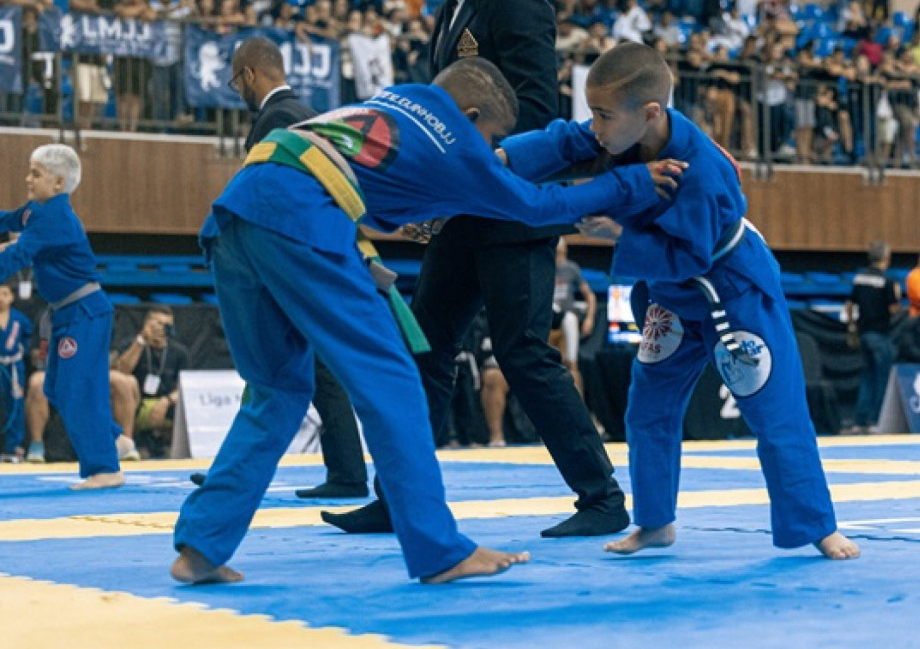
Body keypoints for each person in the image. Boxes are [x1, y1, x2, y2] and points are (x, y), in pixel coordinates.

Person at [171, 56, 684, 586]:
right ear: (469, 114)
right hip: (299, 216)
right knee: (393, 380)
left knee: (275, 391)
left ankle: (203, 545)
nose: (490, 153)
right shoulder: (458, 144)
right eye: (489, 138)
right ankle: (439, 550)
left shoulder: (401, 103)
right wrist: (632, 186)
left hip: (235, 213)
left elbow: (511, 158)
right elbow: (531, 203)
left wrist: (584, 136)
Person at [324, 0, 632, 540]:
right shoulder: (452, 7)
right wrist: (433, 197)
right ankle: (400, 495)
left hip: (511, 208)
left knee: (522, 352)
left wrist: (468, 178)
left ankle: (603, 497)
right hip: (464, 209)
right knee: (427, 349)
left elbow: (538, 110)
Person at [500, 42, 858, 561]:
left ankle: (818, 525)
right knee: (648, 407)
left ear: (649, 114)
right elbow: (564, 142)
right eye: (593, 113)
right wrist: (503, 156)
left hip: (733, 293)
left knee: (774, 410)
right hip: (670, 299)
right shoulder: (619, 134)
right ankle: (654, 522)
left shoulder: (703, 170)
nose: (595, 127)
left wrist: (617, 235)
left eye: (603, 115)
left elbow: (690, 255)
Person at [223, 35, 367, 499]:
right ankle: (345, 474)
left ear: (248, 74)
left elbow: (272, 196)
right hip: (313, 254)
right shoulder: (305, 114)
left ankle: (240, 473)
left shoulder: (280, 117)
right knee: (317, 372)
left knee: (271, 371)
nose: (236, 91)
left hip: (293, 256)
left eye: (235, 81)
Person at [0, 144, 125, 489]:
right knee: (55, 387)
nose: (27, 178)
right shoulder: (38, 211)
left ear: (58, 183)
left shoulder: (54, 217)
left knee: (78, 388)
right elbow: (9, 219)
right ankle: (114, 439)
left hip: (84, 313)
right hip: (69, 313)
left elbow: (16, 255)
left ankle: (105, 468)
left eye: (35, 174)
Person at [113, 306, 189, 458]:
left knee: (183, 406)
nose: (161, 329)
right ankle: (127, 445)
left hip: (164, 403)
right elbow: (121, 372)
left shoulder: (179, 352)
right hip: (134, 402)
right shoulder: (131, 344)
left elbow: (186, 384)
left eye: (166, 325)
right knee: (127, 382)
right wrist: (141, 341)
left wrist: (166, 401)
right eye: (157, 324)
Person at [845, 240, 900, 433]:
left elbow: (850, 305)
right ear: (886, 258)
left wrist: (852, 327)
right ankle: (875, 421)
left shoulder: (860, 279)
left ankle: (859, 420)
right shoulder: (887, 281)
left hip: (865, 332)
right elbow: (893, 308)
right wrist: (897, 296)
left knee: (867, 377)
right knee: (881, 378)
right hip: (880, 333)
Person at [550, 239, 596, 398]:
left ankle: (580, 408)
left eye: (561, 253)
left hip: (566, 318)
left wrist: (589, 318)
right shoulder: (543, 267)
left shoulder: (571, 268)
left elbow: (590, 295)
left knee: (571, 366)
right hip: (547, 319)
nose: (558, 257)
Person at [0, 281, 31, 461]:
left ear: (12, 297)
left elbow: (29, 339)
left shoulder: (19, 319)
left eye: (5, 294)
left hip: (14, 367)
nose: (1, 298)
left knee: (16, 404)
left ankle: (13, 446)